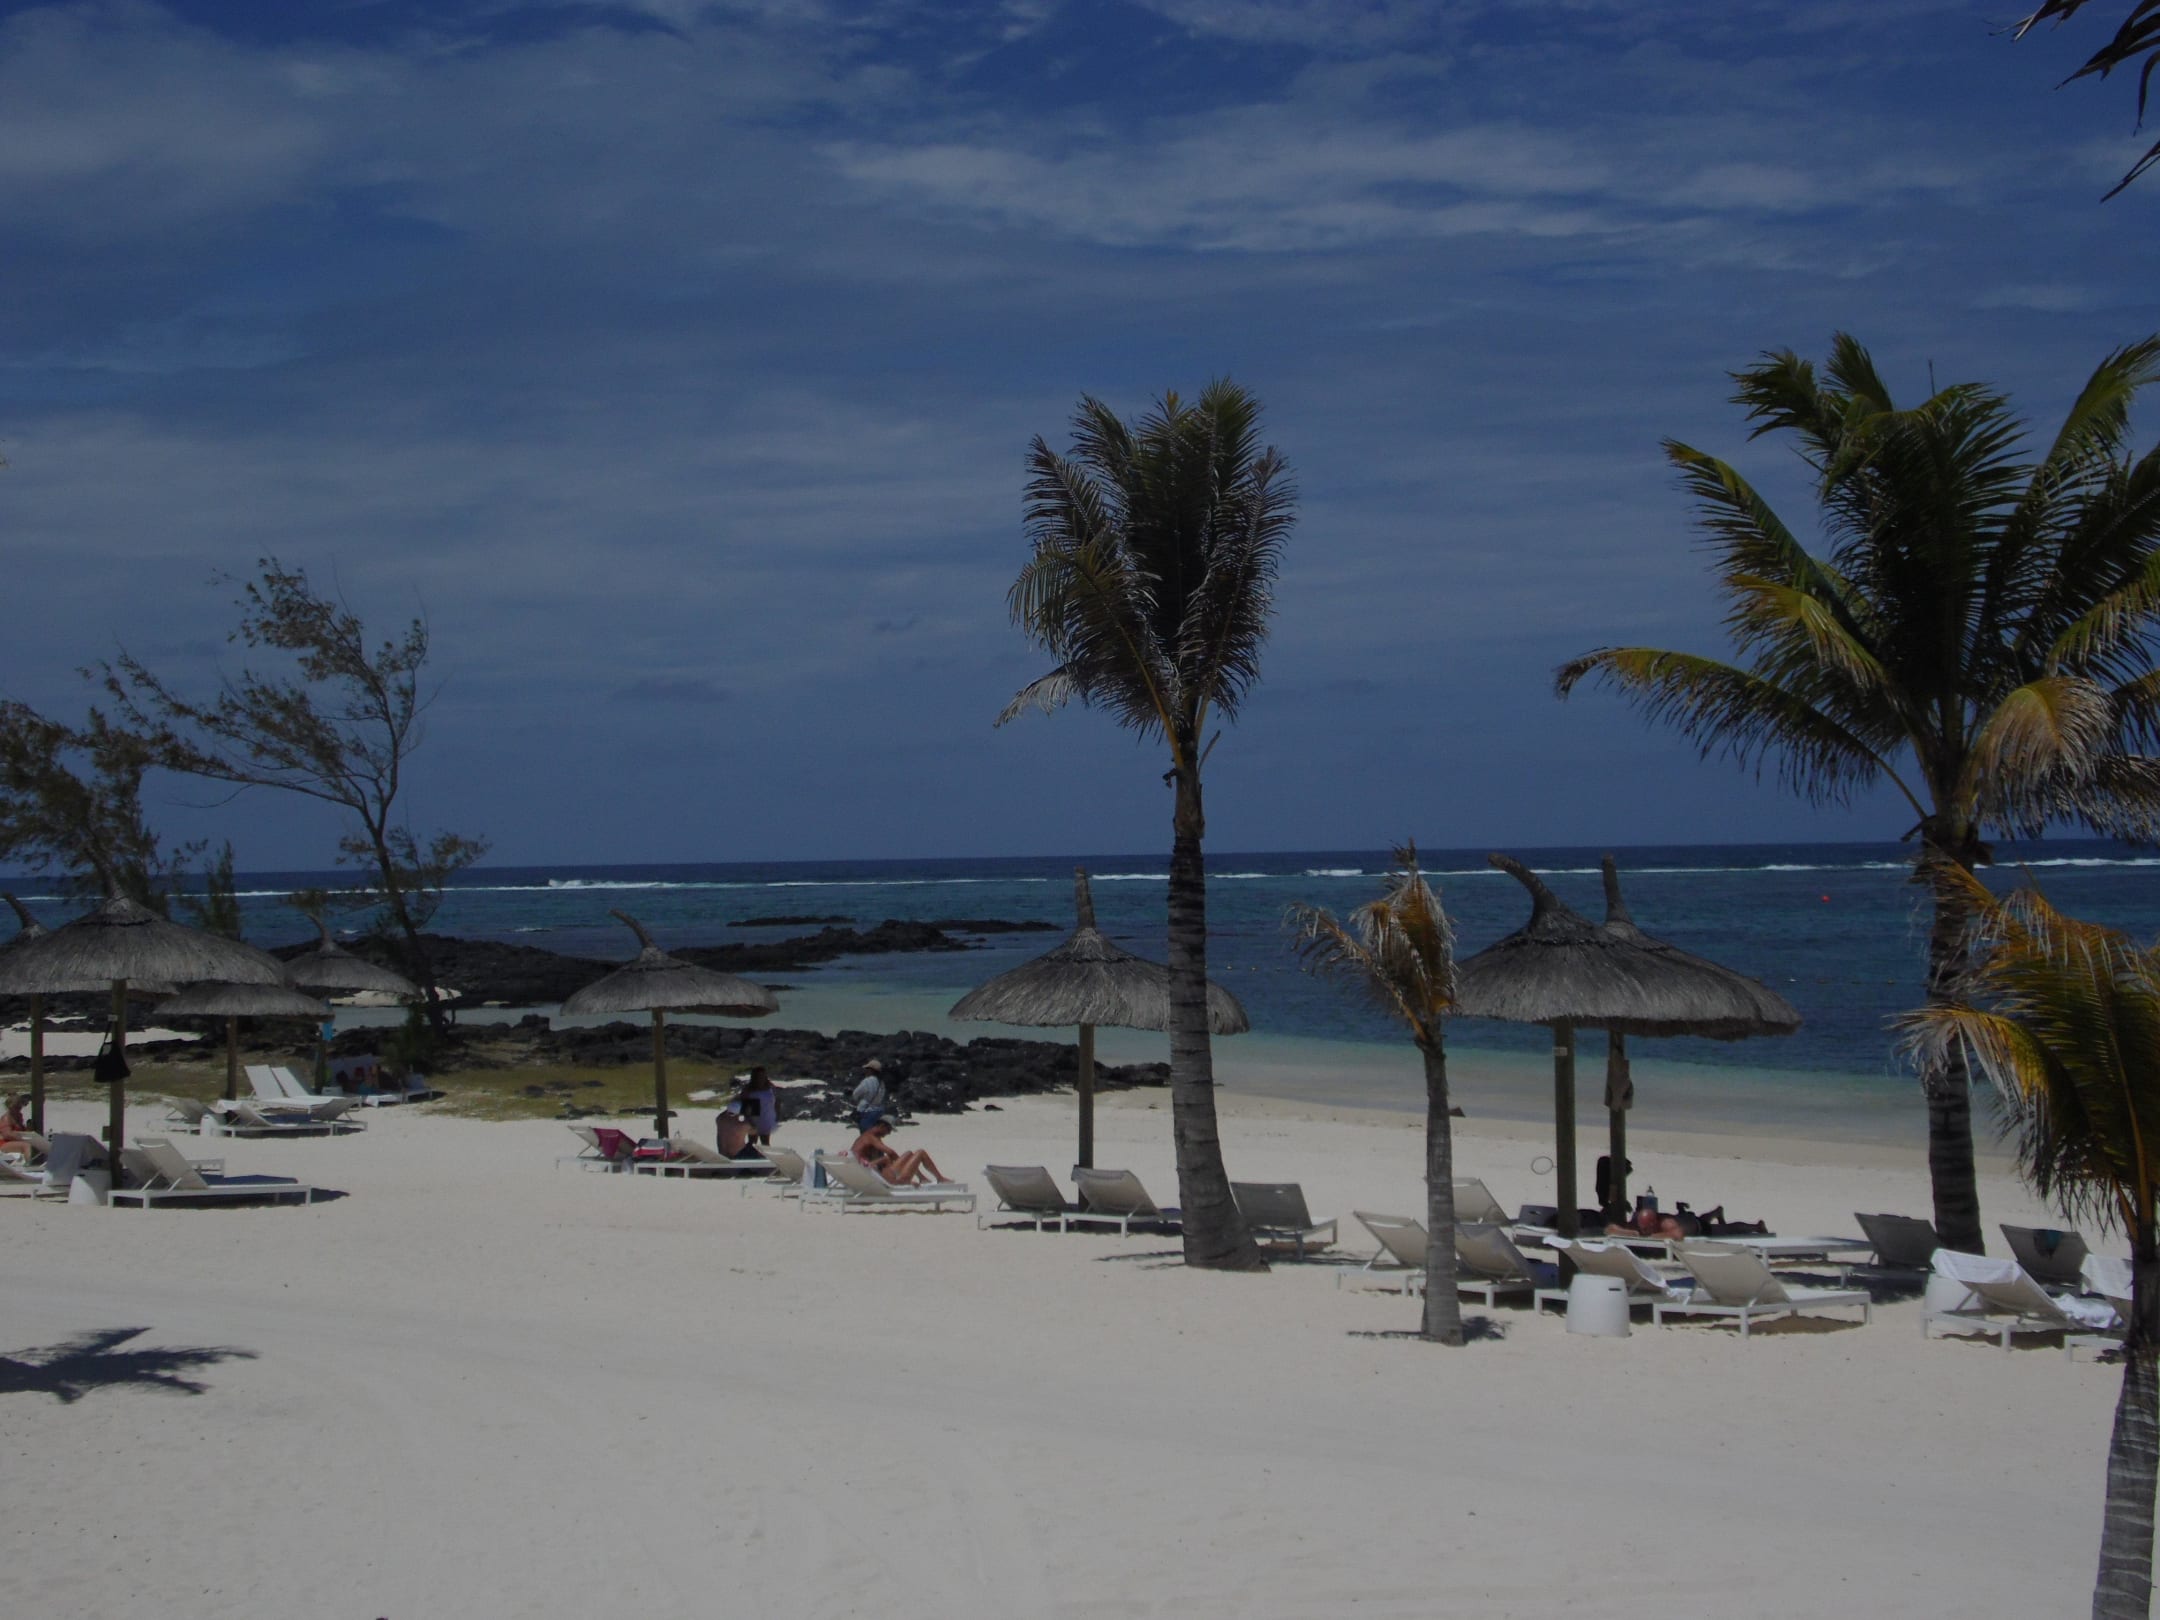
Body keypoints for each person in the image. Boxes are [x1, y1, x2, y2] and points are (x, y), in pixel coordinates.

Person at [849, 1119, 947, 1186]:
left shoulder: (866, 1136)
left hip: (878, 1174)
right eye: (889, 1130)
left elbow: (880, 1160)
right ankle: (939, 1178)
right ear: (882, 1126)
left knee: (909, 1153)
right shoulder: (871, 1138)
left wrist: (887, 1161)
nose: (889, 1133)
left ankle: (923, 1178)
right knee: (920, 1152)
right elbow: (891, 1152)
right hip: (888, 1179)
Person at [736, 1067, 777, 1145]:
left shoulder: (769, 1086)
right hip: (753, 1115)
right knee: (752, 1142)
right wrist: (749, 1121)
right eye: (759, 1076)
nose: (761, 1078)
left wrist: (777, 1114)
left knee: (765, 1143)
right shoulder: (749, 1088)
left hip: (767, 1116)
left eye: (763, 1075)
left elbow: (776, 1100)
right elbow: (744, 1104)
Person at [850, 1059, 890, 1131]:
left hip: (865, 1112)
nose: (865, 1071)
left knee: (865, 1134)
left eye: (867, 1069)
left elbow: (855, 1094)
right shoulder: (881, 1083)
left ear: (871, 1070)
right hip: (877, 1113)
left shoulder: (867, 1081)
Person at [0, 1093, 31, 1158]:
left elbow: (21, 1130)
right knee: (27, 1146)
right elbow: (7, 1135)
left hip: (15, 1141)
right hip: (4, 1143)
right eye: (16, 1107)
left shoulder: (19, 1116)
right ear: (10, 1107)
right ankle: (32, 1163)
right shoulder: (6, 1118)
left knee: (38, 1144)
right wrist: (23, 1137)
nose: (19, 1109)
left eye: (20, 1107)